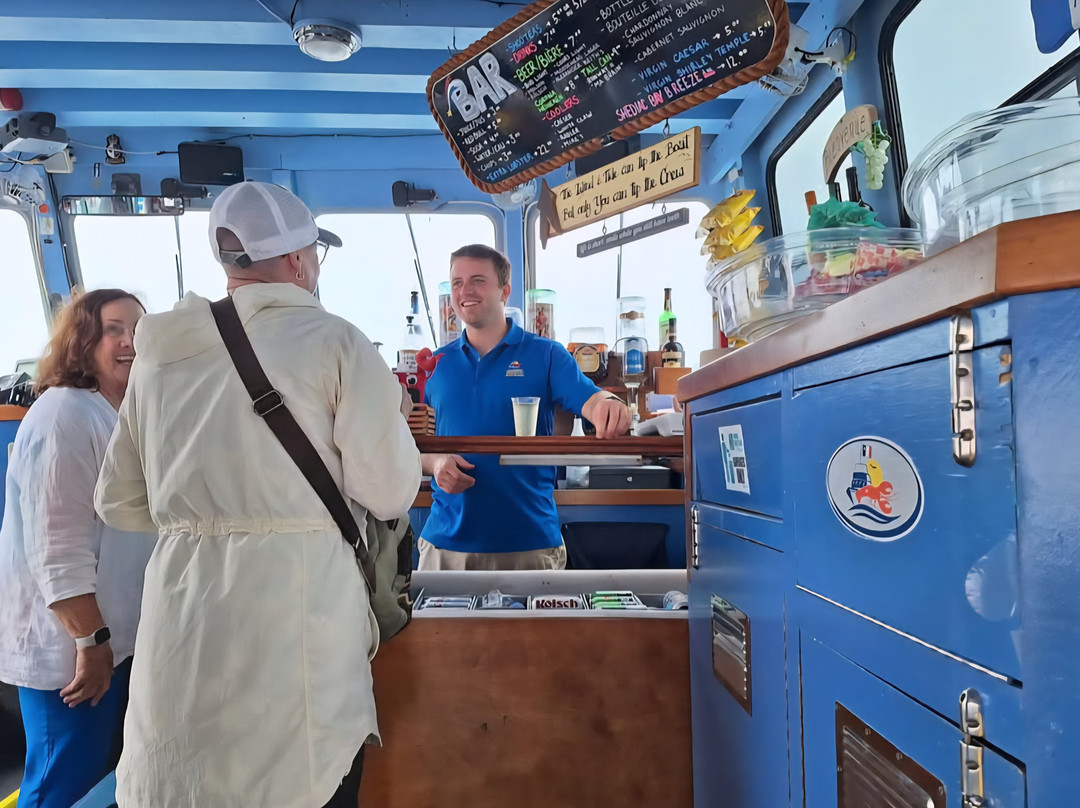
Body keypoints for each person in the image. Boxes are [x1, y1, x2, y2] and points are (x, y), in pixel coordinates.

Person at [93, 181, 421, 808]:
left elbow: (120, 500)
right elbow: (389, 492)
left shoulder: (159, 353)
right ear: (300, 260)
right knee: (303, 775)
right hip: (299, 613)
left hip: (183, 613)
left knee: (188, 776)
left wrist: (206, 517)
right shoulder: (337, 343)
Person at [0, 289, 154, 808]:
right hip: (73, 652)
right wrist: (92, 644)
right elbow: (56, 548)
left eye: (139, 328)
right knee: (62, 784)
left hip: (110, 642)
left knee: (97, 783)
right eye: (115, 329)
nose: (131, 341)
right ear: (83, 340)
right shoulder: (65, 414)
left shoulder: (117, 415)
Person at [419, 244, 631, 571]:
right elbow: (409, 444)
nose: (465, 291)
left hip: (530, 545)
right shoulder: (436, 365)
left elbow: (592, 399)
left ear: (505, 290)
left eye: (478, 280)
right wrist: (435, 463)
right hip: (445, 547)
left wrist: (611, 405)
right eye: (457, 283)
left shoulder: (547, 355)